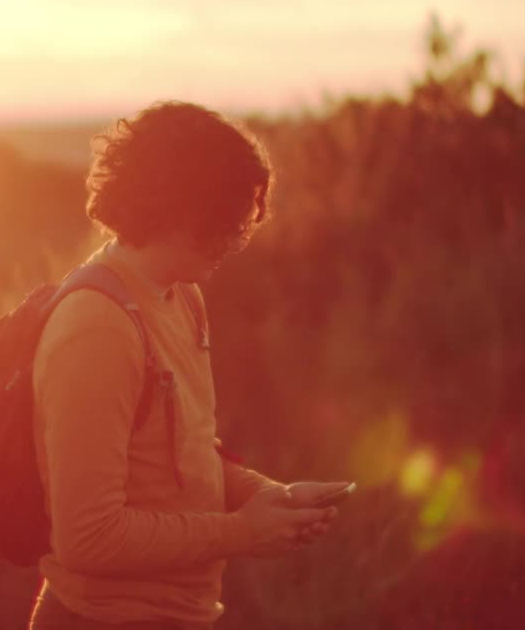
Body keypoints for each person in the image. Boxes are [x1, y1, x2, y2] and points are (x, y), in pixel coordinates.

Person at [28, 101, 352, 629]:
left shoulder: (181, 298)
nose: (236, 239)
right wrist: (245, 532)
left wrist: (269, 498)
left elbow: (183, 460)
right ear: (181, 205)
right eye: (227, 219)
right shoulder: (97, 327)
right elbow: (87, 538)